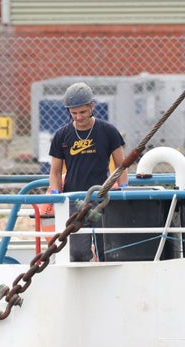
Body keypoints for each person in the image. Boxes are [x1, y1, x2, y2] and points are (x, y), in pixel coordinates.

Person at [46, 82, 129, 261]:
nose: (78, 117)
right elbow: (55, 171)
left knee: (107, 251)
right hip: (74, 200)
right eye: (73, 113)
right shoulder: (61, 135)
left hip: (102, 199)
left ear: (92, 106)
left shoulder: (108, 131)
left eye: (82, 112)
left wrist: (124, 188)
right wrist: (55, 193)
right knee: (77, 252)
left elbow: (121, 165)